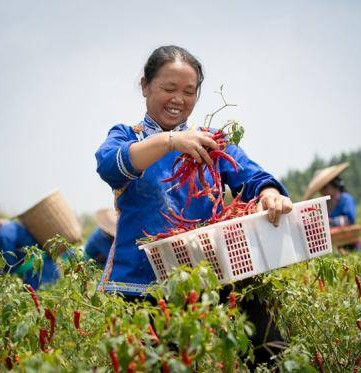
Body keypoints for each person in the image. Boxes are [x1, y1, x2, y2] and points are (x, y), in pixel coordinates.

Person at [95, 45, 293, 366]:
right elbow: (110, 166)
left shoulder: (209, 142)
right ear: (145, 86)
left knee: (269, 350)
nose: (179, 99)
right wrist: (170, 141)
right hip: (138, 285)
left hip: (206, 275)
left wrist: (269, 192)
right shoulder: (126, 136)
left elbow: (251, 176)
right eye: (168, 88)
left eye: (189, 91)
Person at [0, 201, 60, 290]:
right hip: (49, 267)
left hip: (36, 274)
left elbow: (10, 265)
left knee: (36, 301)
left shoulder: (3, 235)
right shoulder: (11, 224)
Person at [303, 162, 360, 250]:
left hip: (349, 244)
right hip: (333, 246)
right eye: (321, 189)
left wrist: (330, 222)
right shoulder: (323, 205)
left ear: (334, 185)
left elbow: (350, 219)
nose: (322, 191)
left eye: (325, 187)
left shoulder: (345, 199)